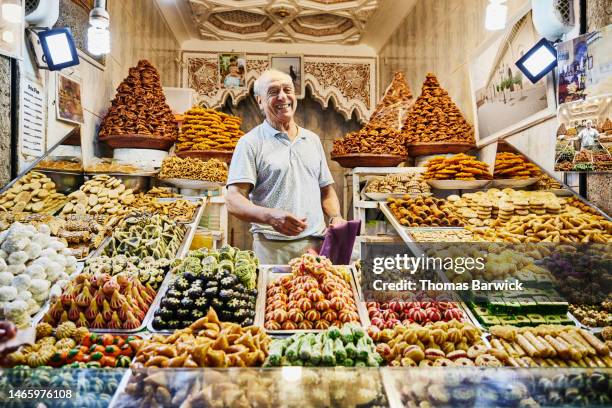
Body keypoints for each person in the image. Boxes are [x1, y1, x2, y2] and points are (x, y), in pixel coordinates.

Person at [226, 69, 345, 264]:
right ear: (260, 102)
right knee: (275, 294)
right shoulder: (251, 142)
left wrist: (336, 217)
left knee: (315, 295)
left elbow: (326, 191)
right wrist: (270, 216)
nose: (283, 96)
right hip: (272, 249)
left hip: (316, 246)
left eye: (287, 89)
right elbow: (233, 199)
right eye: (273, 92)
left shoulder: (312, 140)